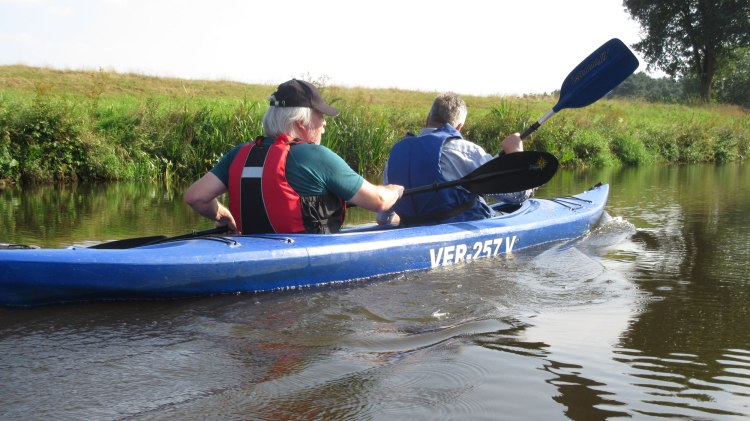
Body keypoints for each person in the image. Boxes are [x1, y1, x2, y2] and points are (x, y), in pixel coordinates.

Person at [185, 79, 404, 235]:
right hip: (302, 256)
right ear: (301, 122)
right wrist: (395, 191)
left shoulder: (239, 153)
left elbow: (196, 197)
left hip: (250, 250)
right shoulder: (316, 156)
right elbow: (379, 201)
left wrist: (224, 216)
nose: (325, 123)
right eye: (321, 116)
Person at [376, 92, 532, 226]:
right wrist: (516, 154)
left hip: (412, 230)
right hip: (461, 232)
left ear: (427, 120)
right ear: (459, 127)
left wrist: (412, 219)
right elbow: (516, 195)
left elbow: (383, 218)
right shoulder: (465, 151)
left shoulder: (395, 154)